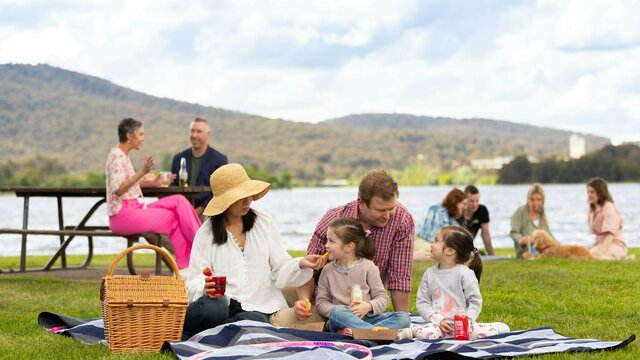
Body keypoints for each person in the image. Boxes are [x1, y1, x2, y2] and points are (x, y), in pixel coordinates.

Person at [183, 163, 322, 339]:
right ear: (225, 201)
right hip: (219, 304)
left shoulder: (264, 223)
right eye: (241, 196)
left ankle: (209, 334)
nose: (248, 200)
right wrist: (205, 287)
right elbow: (194, 280)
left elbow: (280, 267)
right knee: (214, 308)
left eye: (249, 194)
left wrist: (300, 263)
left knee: (253, 320)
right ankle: (223, 332)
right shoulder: (206, 233)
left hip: (257, 307)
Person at [278, 170, 414, 324]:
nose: (388, 215)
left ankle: (365, 331)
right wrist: (305, 302)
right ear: (361, 203)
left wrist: (403, 322)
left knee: (402, 318)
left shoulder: (403, 220)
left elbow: (400, 277)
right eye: (381, 210)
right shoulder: (334, 220)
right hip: (327, 301)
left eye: (392, 208)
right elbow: (310, 269)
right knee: (279, 313)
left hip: (366, 308)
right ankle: (365, 332)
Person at [106, 118, 201, 271]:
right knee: (174, 217)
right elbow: (118, 189)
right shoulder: (117, 156)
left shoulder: (122, 156)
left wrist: (153, 183)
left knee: (178, 200)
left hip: (133, 209)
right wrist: (142, 172)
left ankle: (195, 252)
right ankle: (198, 252)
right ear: (129, 136)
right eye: (141, 134)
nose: (143, 139)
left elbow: (128, 184)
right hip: (122, 216)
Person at [407, 226, 509, 340]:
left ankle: (497, 327)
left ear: (450, 251)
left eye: (436, 241)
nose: (431, 245)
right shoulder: (429, 274)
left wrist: (468, 321)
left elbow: (475, 301)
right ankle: (412, 329)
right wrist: (438, 320)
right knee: (427, 334)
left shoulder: (465, 274)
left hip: (463, 327)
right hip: (437, 326)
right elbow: (422, 302)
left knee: (500, 329)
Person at [316, 217, 410, 336]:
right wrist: (345, 312)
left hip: (369, 318)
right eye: (327, 240)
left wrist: (368, 306)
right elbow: (321, 303)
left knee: (403, 317)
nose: (326, 245)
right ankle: (374, 333)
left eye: (331, 241)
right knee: (337, 311)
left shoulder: (369, 267)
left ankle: (360, 332)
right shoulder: (327, 270)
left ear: (349, 247)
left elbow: (382, 297)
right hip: (341, 321)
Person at [171, 117, 228, 216]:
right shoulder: (178, 158)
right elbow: (173, 186)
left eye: (199, 131)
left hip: (208, 212)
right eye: (192, 131)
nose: (194, 135)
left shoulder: (220, 160)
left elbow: (221, 190)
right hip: (181, 210)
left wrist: (201, 209)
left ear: (208, 134)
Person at [414, 188, 467, 261]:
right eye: (464, 204)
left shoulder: (452, 219)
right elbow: (437, 237)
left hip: (430, 242)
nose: (465, 207)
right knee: (437, 252)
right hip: (419, 239)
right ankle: (406, 257)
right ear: (456, 202)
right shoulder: (437, 209)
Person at [586, 177, 628, 260]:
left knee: (598, 258)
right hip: (600, 243)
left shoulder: (608, 207)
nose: (589, 195)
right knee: (585, 256)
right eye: (588, 192)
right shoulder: (592, 209)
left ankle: (619, 256)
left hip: (614, 243)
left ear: (600, 193)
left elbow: (610, 235)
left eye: (592, 192)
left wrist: (601, 252)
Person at [510, 183, 554, 259]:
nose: (535, 203)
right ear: (528, 199)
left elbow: (549, 235)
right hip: (525, 251)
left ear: (543, 200)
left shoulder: (542, 214)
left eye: (538, 200)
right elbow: (514, 232)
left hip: (541, 251)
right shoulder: (520, 211)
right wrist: (521, 240)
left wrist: (557, 245)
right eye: (532, 199)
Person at [457, 185, 495, 256]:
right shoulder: (457, 212)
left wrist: (492, 255)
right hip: (456, 247)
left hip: (470, 248)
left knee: (480, 254)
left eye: (477, 201)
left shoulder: (482, 210)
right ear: (464, 200)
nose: (475, 204)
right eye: (471, 201)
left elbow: (485, 234)